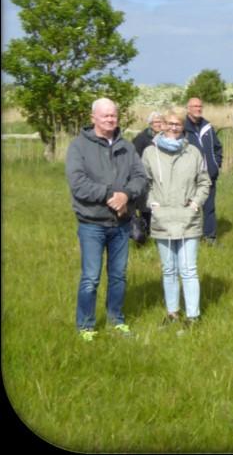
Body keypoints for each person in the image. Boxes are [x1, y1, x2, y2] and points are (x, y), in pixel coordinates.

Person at [65, 98, 147, 341]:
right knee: (91, 278)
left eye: (113, 115)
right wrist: (111, 195)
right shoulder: (79, 146)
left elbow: (140, 177)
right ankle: (86, 326)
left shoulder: (127, 146)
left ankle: (116, 320)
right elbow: (78, 184)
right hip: (92, 224)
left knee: (119, 276)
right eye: (105, 116)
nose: (110, 119)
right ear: (93, 118)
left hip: (121, 224)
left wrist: (126, 195)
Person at [142, 107, 211, 325]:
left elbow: (204, 181)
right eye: (169, 123)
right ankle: (172, 313)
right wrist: (151, 204)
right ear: (161, 125)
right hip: (162, 218)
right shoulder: (149, 153)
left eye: (178, 124)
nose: (173, 127)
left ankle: (193, 316)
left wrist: (195, 203)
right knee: (169, 269)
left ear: (183, 127)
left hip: (187, 219)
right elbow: (144, 182)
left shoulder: (193, 153)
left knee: (188, 269)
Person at [184, 97, 223, 245]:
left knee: (209, 208)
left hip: (208, 175)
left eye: (200, 106)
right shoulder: (183, 127)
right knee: (190, 207)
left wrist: (216, 163)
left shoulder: (208, 127)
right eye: (194, 106)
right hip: (190, 176)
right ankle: (189, 237)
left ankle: (210, 237)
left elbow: (218, 147)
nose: (198, 109)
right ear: (188, 109)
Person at [132, 111, 164, 241]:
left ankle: (159, 231)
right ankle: (145, 232)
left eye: (161, 121)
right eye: (156, 122)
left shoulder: (165, 138)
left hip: (161, 178)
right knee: (146, 205)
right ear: (150, 124)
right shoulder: (141, 138)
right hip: (145, 177)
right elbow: (134, 157)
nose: (159, 124)